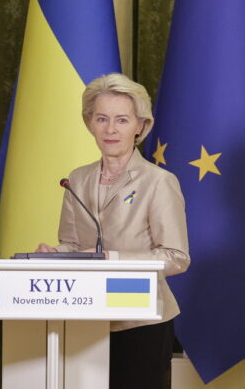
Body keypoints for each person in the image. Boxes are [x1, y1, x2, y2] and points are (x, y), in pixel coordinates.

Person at [36, 73, 190, 389]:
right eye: (102, 118)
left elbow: (176, 257)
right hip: (86, 316)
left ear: (140, 126)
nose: (111, 129)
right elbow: (73, 244)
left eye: (122, 120)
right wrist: (56, 254)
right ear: (89, 123)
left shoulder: (159, 182)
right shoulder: (77, 180)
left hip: (142, 321)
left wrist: (115, 259)